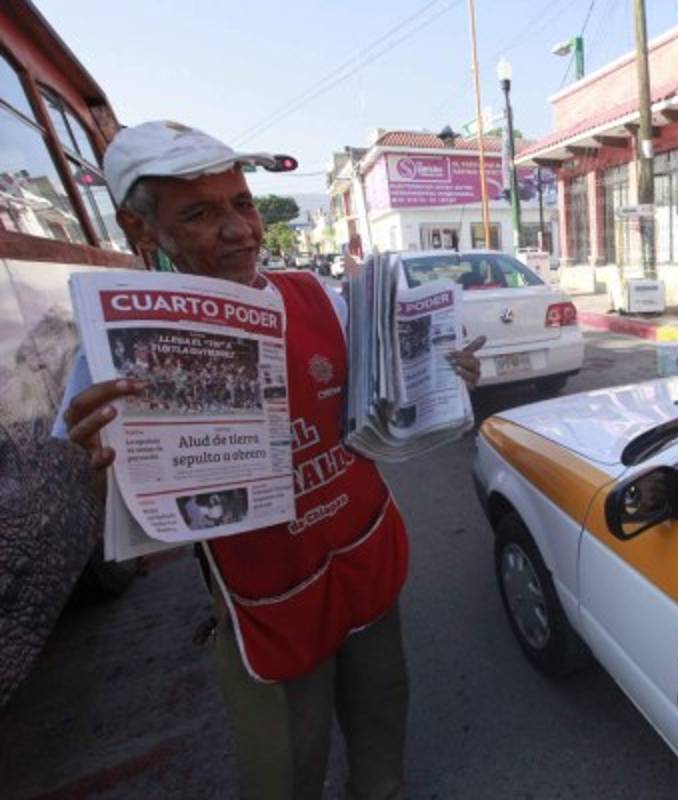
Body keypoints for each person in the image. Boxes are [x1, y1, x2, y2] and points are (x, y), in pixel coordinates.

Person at [55, 121, 484, 800]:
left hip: (365, 556)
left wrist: (440, 371)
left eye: (243, 204)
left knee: (382, 712)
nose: (238, 230)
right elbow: (92, 498)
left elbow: (388, 401)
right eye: (199, 213)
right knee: (285, 761)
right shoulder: (113, 351)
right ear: (142, 230)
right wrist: (92, 466)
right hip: (267, 599)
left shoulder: (320, 299)